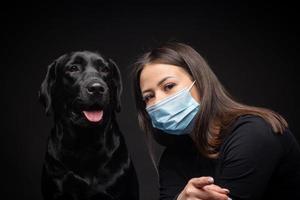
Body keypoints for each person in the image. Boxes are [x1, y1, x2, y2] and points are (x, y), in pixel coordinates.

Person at [131, 42, 300, 200]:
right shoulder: (173, 158)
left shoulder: (254, 135)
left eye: (169, 86)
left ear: (200, 82)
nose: (158, 101)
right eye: (149, 96)